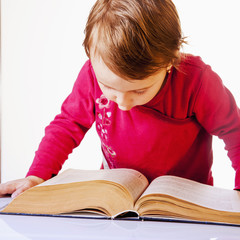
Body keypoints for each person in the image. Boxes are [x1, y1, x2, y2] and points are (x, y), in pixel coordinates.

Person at [1, 0, 240, 199]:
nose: (123, 103)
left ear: (170, 61)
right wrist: (36, 176)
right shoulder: (92, 75)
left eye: (139, 91)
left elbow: (235, 134)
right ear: (90, 56)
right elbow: (66, 126)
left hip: (185, 205)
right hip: (119, 202)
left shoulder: (197, 81)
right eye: (109, 88)